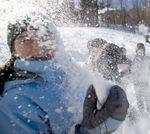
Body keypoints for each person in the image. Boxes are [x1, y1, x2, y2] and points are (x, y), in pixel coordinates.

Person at [0, 10, 129, 134]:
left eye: (44, 36)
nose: (38, 46)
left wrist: (111, 105)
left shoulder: (67, 72)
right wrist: (91, 131)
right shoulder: (15, 102)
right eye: (26, 40)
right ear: (14, 50)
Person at [131, 43, 150, 114]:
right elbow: (133, 71)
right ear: (136, 51)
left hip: (146, 82)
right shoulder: (135, 60)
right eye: (139, 50)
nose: (141, 51)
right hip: (138, 83)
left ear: (144, 51)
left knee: (148, 98)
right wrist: (136, 80)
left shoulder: (147, 59)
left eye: (142, 50)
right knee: (139, 99)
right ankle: (141, 113)